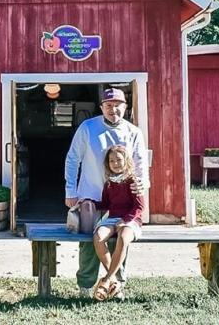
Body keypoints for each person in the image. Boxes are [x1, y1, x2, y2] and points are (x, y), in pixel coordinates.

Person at [64, 87, 148, 298]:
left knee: (120, 240)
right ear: (102, 107)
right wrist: (70, 190)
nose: (113, 110)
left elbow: (140, 164)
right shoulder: (88, 128)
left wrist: (142, 184)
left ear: (125, 107)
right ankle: (85, 285)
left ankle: (117, 285)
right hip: (91, 197)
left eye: (117, 106)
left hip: (122, 200)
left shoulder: (133, 132)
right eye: (108, 106)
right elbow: (73, 159)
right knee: (89, 244)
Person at [89, 145, 145, 301]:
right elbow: (106, 204)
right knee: (98, 237)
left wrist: (125, 221)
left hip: (131, 219)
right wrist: (90, 203)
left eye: (118, 160)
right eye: (111, 160)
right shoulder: (109, 183)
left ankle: (106, 280)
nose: (115, 163)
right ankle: (113, 281)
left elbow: (139, 207)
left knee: (123, 237)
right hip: (113, 218)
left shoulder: (132, 180)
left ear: (126, 160)